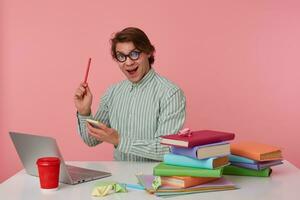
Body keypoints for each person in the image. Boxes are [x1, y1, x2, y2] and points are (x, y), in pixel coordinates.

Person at [74, 27, 186, 161]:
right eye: (121, 56)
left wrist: (119, 140)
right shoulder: (112, 92)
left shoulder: (170, 93)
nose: (128, 62)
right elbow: (91, 141)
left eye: (134, 54)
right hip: (119, 179)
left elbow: (166, 149)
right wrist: (84, 112)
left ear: (149, 52)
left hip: (154, 179)